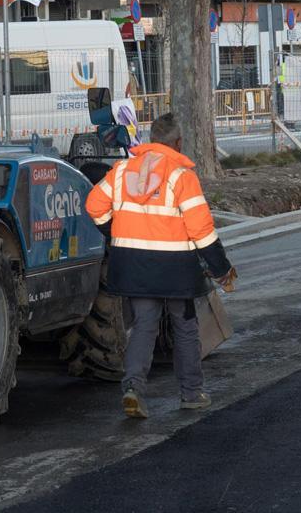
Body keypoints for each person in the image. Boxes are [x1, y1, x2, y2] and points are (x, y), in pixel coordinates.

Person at [84, 113, 237, 419]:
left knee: (143, 326)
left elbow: (93, 206)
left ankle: (132, 389)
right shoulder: (181, 176)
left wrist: (115, 235)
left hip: (133, 265)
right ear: (178, 142)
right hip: (176, 268)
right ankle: (192, 394)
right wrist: (222, 269)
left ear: (151, 139)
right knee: (185, 327)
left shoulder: (122, 170)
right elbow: (202, 231)